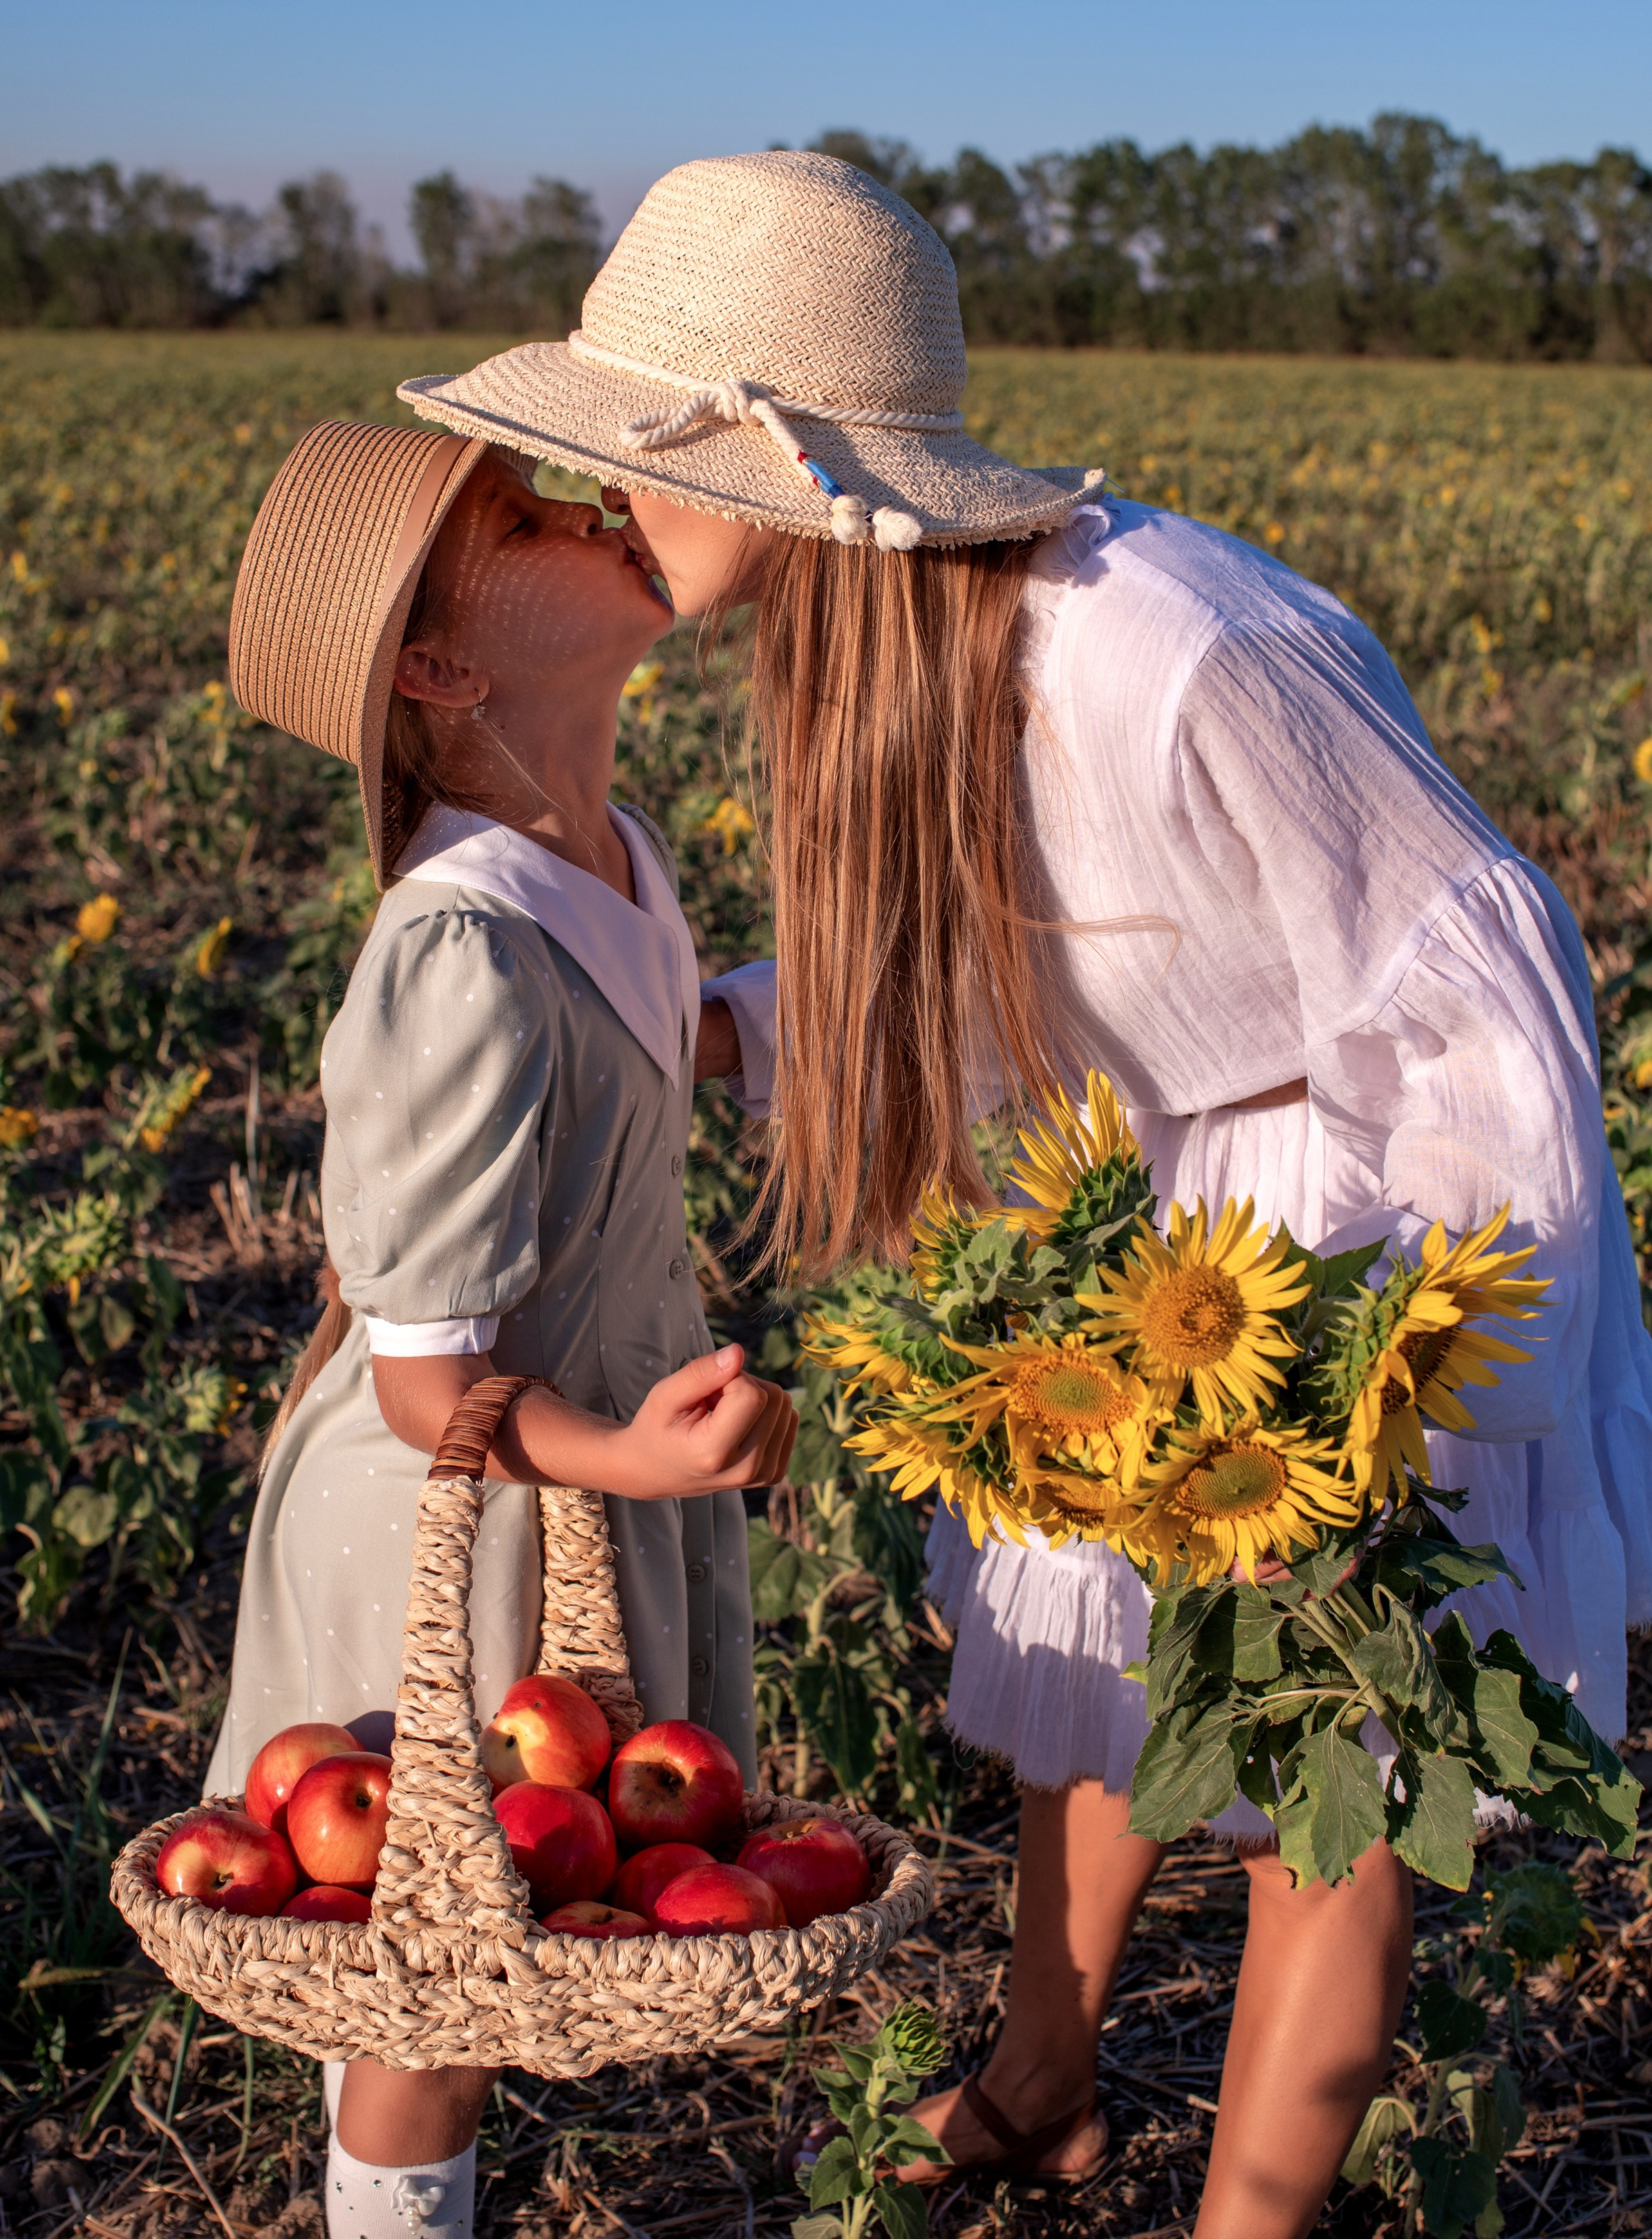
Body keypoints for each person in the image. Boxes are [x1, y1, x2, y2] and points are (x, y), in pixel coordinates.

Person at [398, 150, 1652, 2239]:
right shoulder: (876, 641)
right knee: (1100, 1679)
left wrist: (1383, 1363)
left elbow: (1479, 969)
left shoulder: (1170, 647)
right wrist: (702, 1026)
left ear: (787, 464)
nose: (607, 502)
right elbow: (1024, 961)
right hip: (1166, 1202)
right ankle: (1040, 2091)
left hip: (1360, 1233)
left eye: (641, 453)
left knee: (1310, 1787)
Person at [208, 420, 796, 2239]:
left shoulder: (603, 855)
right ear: (444, 670)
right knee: (436, 1973)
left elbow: (643, 1036)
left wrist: (815, 1015)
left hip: (565, 1472)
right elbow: (423, 1380)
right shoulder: (452, 958)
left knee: (490, 1918)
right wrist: (629, 1459)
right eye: (531, 517)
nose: (597, 504)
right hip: (459, 1504)